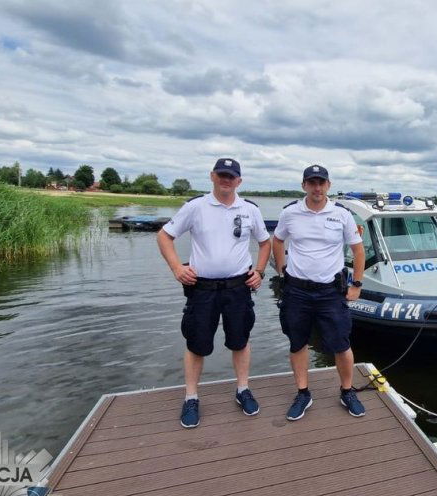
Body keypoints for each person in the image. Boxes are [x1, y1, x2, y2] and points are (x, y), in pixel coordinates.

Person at [157, 158, 271, 428]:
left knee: (240, 341)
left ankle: (242, 389)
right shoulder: (196, 207)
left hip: (238, 287)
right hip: (202, 288)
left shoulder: (250, 209)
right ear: (212, 176)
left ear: (239, 181)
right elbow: (164, 236)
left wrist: (261, 271)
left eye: (231, 176)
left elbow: (265, 243)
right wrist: (176, 268)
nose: (226, 180)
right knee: (196, 344)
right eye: (221, 175)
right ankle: (191, 397)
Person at [272, 164, 366, 421]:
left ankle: (347, 391)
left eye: (321, 182)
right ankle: (303, 393)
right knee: (297, 342)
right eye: (311, 182)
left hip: (330, 292)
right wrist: (282, 269)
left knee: (341, 344)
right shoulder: (290, 213)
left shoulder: (342, 215)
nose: (317, 187)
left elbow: (358, 251)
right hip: (297, 290)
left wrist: (356, 285)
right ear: (304, 185)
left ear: (328, 185)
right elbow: (278, 240)